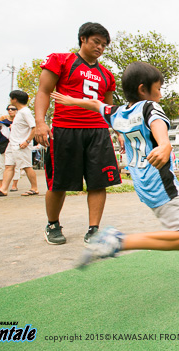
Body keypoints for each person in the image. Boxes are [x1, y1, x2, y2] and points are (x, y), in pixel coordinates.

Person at [51, 61, 179, 284]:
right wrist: (165, 144)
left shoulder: (117, 113)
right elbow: (157, 125)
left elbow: (94, 104)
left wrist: (70, 101)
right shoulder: (149, 107)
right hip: (162, 186)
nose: (160, 93)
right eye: (158, 88)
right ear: (142, 89)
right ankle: (119, 241)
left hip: (143, 184)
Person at [34, 22, 122, 245]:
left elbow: (108, 108)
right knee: (59, 182)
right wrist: (40, 123)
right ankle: (52, 224)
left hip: (98, 132)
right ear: (83, 39)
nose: (100, 47)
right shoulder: (61, 60)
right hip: (65, 129)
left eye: (104, 45)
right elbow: (44, 91)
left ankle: (94, 229)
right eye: (96, 42)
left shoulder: (107, 75)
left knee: (98, 182)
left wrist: (119, 131)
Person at [0, 91, 39, 197]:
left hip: (21, 145)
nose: (10, 101)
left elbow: (34, 127)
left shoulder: (25, 112)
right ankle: (3, 189)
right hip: (12, 143)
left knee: (26, 166)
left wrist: (27, 141)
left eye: (11, 98)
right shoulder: (19, 112)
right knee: (9, 166)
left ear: (15, 99)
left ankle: (34, 188)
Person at [0, 105, 21, 191]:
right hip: (2, 144)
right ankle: (0, 185)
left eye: (13, 109)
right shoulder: (3, 120)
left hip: (15, 144)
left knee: (16, 165)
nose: (10, 110)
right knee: (0, 165)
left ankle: (14, 185)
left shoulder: (19, 120)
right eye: (8, 109)